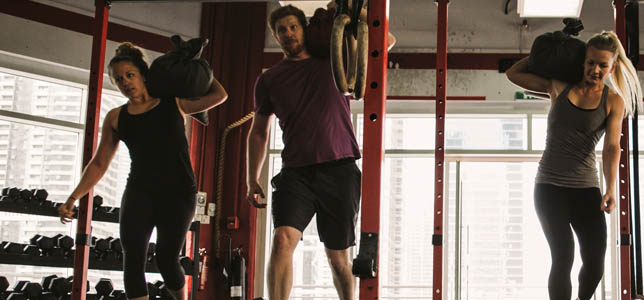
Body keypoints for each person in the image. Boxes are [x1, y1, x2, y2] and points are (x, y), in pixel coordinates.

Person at [245, 4, 395, 300]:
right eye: (282, 30)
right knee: (282, 240)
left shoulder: (334, 61)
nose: (288, 33)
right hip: (296, 173)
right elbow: (259, 131)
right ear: (276, 38)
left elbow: (386, 41)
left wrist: (355, 12)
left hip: (339, 169)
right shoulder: (269, 80)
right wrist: (252, 179)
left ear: (304, 29)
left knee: (338, 259)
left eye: (293, 27)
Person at [58, 42, 228, 300]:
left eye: (129, 75)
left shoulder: (174, 103)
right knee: (133, 257)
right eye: (118, 79)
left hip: (179, 192)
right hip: (140, 191)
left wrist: (199, 67)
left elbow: (219, 95)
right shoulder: (116, 117)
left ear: (142, 75)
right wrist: (73, 198)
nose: (124, 82)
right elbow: (99, 163)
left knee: (167, 259)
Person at [505, 31, 642, 300]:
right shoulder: (558, 86)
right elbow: (513, 74)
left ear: (612, 67)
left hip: (585, 189)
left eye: (603, 65)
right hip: (549, 187)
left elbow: (612, 147)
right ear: (583, 60)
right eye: (590, 62)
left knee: (594, 264)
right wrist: (552, 53)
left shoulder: (614, 101)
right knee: (563, 256)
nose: (596, 69)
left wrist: (611, 188)